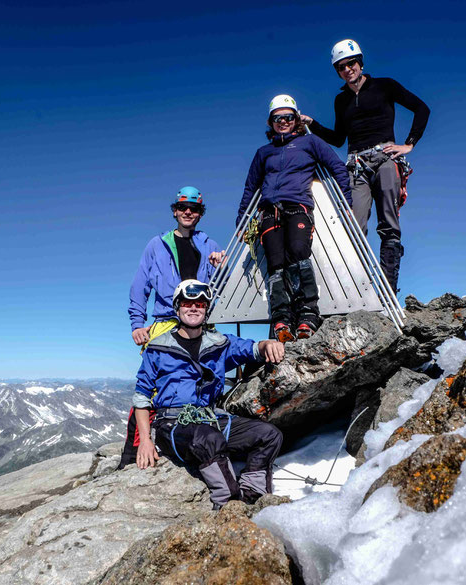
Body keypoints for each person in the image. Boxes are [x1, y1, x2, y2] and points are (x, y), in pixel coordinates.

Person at [133, 279, 286, 510]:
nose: (193, 307)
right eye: (187, 302)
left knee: (268, 435)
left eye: (200, 303)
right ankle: (229, 507)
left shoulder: (220, 344)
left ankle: (253, 497)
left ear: (207, 309)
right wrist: (145, 441)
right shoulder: (158, 348)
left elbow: (252, 349)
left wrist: (267, 344)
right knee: (208, 438)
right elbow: (142, 397)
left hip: (210, 418)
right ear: (177, 307)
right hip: (172, 424)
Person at [301, 39, 430, 293]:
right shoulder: (341, 101)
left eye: (351, 63)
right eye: (341, 67)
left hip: (385, 158)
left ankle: (388, 288)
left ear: (360, 62)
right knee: (354, 226)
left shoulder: (385, 86)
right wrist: (312, 123)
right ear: (337, 71)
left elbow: (421, 109)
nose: (347, 69)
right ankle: (357, 288)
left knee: (388, 224)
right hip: (357, 165)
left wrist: (409, 144)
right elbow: (339, 138)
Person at [236, 94, 352, 342]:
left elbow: (338, 168)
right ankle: (281, 319)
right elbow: (250, 188)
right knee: (276, 264)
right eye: (277, 118)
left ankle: (308, 314)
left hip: (298, 207)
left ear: (296, 119)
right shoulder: (263, 152)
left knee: (299, 253)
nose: (283, 122)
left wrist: (346, 204)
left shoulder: (310, 143)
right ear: (271, 122)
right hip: (269, 213)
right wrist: (242, 221)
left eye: (288, 117)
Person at [128, 186, 225, 346]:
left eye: (193, 208)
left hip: (203, 327)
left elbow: (224, 292)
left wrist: (222, 269)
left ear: (200, 214)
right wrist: (137, 325)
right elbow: (140, 286)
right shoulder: (157, 245)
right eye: (182, 207)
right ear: (175, 211)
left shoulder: (211, 246)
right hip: (166, 324)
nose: (187, 212)